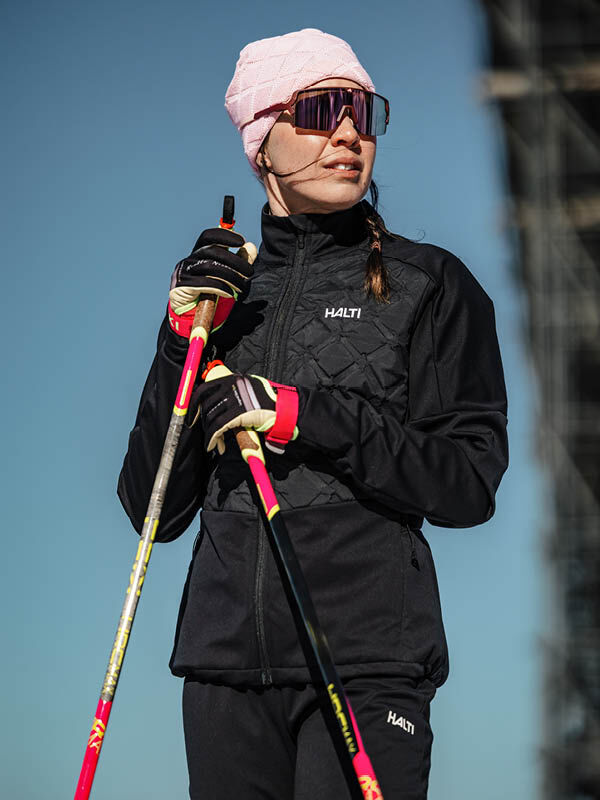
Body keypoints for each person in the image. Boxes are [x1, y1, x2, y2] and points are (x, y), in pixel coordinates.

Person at [118, 28, 508, 800]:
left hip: (367, 662)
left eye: (365, 112)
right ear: (261, 140)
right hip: (226, 666)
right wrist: (179, 340)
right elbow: (153, 510)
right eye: (323, 110)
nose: (349, 133)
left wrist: (305, 416)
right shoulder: (221, 295)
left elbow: (468, 483)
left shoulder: (428, 283)